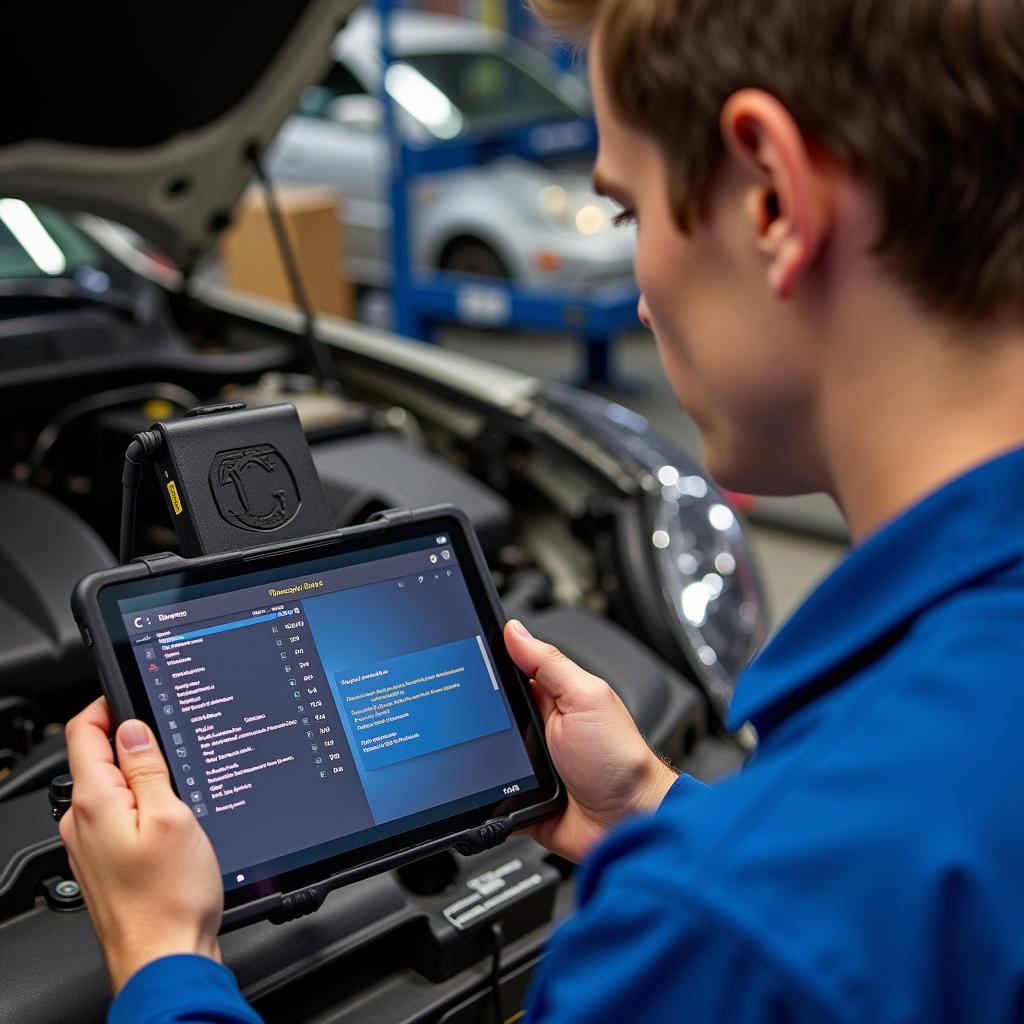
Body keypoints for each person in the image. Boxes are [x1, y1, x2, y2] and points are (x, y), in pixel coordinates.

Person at [61, 0, 1024, 1020]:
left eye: (630, 211)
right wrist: (654, 810)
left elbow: (789, 911)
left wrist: (163, 953)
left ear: (772, 200)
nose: (644, 296)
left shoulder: (715, 936)